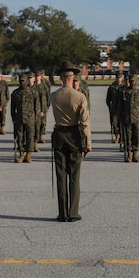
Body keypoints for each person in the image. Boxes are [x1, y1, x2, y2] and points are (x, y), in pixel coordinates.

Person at [51, 61, 91, 222]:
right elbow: (85, 122)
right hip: (74, 135)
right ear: (73, 77)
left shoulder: (54, 96)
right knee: (74, 176)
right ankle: (73, 212)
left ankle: (62, 213)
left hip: (59, 134)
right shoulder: (80, 96)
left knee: (61, 176)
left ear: (61, 78)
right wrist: (88, 143)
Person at [10, 72, 39, 163]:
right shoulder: (15, 93)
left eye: (23, 81)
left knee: (30, 137)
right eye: (20, 81)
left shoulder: (33, 92)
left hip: (30, 119)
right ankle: (21, 154)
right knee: (20, 137)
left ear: (27, 81)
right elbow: (12, 108)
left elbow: (37, 107)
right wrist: (13, 119)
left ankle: (29, 154)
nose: (22, 82)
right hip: (19, 119)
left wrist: (36, 119)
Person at [119, 74, 139, 162]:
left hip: (137, 118)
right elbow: (120, 107)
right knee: (127, 137)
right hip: (127, 118)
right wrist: (120, 118)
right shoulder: (124, 93)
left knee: (136, 137)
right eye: (131, 81)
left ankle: (135, 154)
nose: (132, 83)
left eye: (133, 81)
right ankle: (129, 154)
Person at [106, 73, 123, 143]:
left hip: (122, 109)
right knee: (114, 123)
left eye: (120, 78)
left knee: (121, 123)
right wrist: (110, 107)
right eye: (117, 78)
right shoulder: (112, 87)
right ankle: (117, 136)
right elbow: (108, 99)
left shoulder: (124, 87)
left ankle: (122, 136)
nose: (119, 79)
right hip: (114, 108)